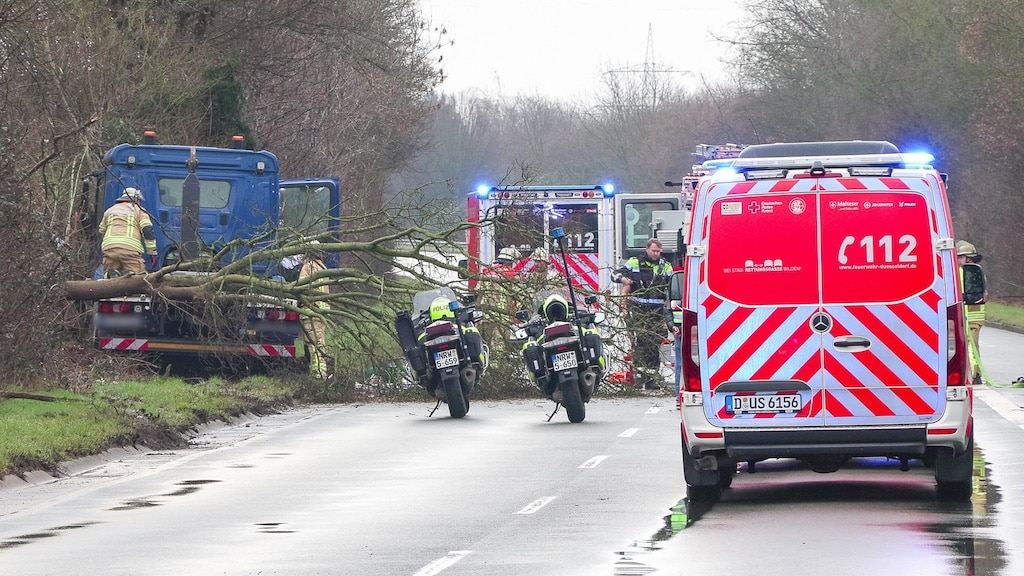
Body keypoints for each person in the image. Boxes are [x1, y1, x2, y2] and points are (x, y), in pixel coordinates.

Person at [613, 237, 673, 390]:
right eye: (653, 250)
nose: (656, 254)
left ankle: (651, 376)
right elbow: (615, 275)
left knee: (653, 343)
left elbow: (672, 286)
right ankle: (642, 375)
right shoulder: (634, 263)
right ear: (647, 249)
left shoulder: (665, 267)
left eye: (658, 251)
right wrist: (624, 279)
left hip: (657, 312)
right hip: (638, 310)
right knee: (640, 342)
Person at [99, 187, 157, 277]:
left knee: (108, 276)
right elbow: (147, 230)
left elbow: (102, 230)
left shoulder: (109, 211)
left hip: (109, 247)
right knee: (139, 277)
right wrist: (152, 252)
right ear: (137, 200)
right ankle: (130, 274)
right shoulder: (139, 210)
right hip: (129, 249)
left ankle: (112, 275)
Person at [957, 240, 987, 384]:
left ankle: (974, 376)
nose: (957, 260)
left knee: (970, 345)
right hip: (962, 314)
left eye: (960, 257)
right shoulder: (961, 271)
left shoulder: (971, 272)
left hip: (972, 315)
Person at [299, 240, 330, 379]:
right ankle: (318, 371)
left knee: (315, 346)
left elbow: (302, 287)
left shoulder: (309, 266)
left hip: (312, 312)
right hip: (320, 312)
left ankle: (318, 373)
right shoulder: (322, 266)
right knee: (318, 344)